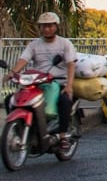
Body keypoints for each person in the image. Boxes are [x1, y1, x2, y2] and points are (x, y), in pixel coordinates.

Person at [8, 12, 77, 149]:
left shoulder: (64, 44)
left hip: (59, 82)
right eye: (43, 26)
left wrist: (69, 86)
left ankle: (63, 136)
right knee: (10, 100)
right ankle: (19, 129)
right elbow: (24, 59)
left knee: (64, 102)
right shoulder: (34, 45)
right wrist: (13, 72)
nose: (47, 29)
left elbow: (71, 64)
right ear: (39, 28)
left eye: (50, 26)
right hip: (37, 82)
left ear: (56, 27)